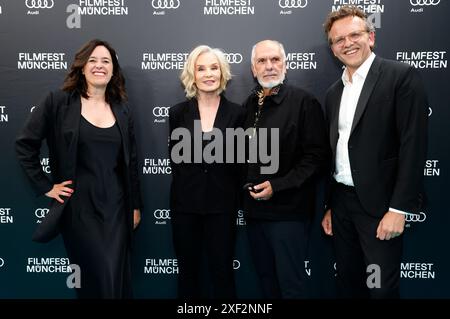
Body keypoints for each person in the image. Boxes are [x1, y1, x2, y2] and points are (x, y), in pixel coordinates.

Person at [16, 39, 142, 299]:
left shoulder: (122, 109)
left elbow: (131, 163)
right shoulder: (58, 102)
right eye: (93, 60)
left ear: (113, 70)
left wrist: (135, 206)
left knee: (116, 278)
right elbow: (25, 145)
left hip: (117, 209)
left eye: (106, 61)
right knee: (97, 279)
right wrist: (46, 186)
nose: (99, 66)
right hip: (79, 210)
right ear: (81, 67)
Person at [321, 6, 428, 298]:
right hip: (342, 205)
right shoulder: (334, 92)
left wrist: (398, 209)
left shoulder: (400, 76)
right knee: (348, 284)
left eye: (354, 34)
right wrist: (330, 205)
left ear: (371, 37)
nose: (348, 43)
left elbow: (413, 145)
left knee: (380, 290)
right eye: (338, 39)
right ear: (332, 49)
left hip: (381, 208)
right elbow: (338, 151)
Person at [242, 40, 329, 298]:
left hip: (288, 215)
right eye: (262, 61)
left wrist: (277, 186)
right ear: (253, 70)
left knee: (291, 285)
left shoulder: (304, 102)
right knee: (266, 283)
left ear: (285, 65)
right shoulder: (248, 105)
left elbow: (316, 158)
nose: (269, 66)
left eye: (275, 60)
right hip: (255, 214)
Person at [168, 45, 245, 299]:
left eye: (214, 67)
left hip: (222, 206)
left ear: (222, 73)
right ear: (192, 74)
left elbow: (240, 163)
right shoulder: (177, 113)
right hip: (185, 206)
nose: (208, 74)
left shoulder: (237, 113)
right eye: (201, 68)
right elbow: (177, 161)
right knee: (187, 274)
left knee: (222, 272)